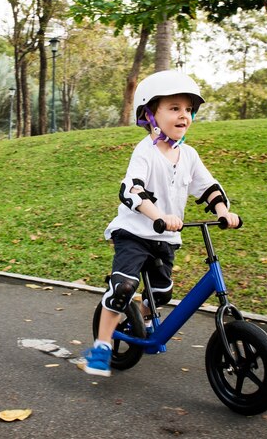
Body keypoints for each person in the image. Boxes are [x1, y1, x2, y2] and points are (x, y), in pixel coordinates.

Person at [83, 70, 240, 377]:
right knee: (123, 288)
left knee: (163, 292)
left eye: (188, 109)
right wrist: (158, 216)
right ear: (150, 114)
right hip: (135, 232)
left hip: (166, 238)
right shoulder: (145, 151)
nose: (184, 115)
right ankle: (101, 346)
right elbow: (133, 189)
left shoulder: (189, 155)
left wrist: (222, 211)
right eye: (174, 108)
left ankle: (137, 319)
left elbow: (207, 187)